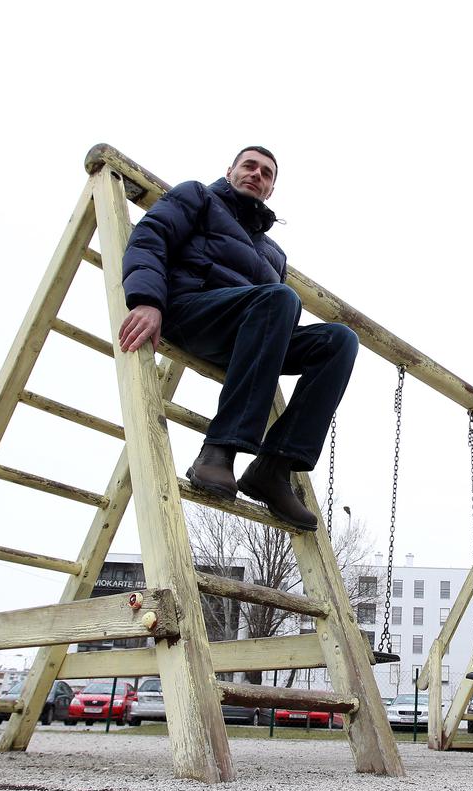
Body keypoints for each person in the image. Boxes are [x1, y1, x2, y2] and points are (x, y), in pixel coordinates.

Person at [117, 146, 358, 530]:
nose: (256, 174)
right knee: (281, 297)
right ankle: (219, 451)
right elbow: (151, 238)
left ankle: (273, 468)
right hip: (191, 310)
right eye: (249, 166)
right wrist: (147, 301)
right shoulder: (197, 196)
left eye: (266, 173)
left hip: (249, 330)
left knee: (339, 340)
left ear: (271, 190)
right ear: (230, 171)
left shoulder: (274, 253)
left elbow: (274, 311)